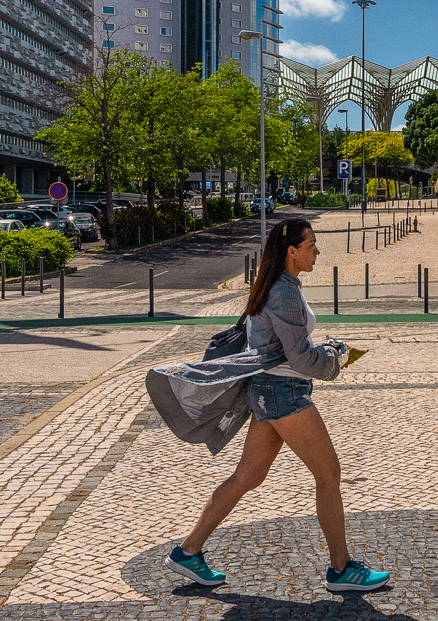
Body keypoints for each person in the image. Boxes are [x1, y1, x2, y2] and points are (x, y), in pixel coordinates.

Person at [165, 217, 391, 593]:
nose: (317, 252)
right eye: (312, 246)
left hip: (269, 392)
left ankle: (188, 551)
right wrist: (336, 357)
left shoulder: (275, 284)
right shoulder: (282, 292)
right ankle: (340, 570)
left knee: (247, 477)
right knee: (329, 475)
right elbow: (299, 358)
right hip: (284, 392)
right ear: (292, 251)